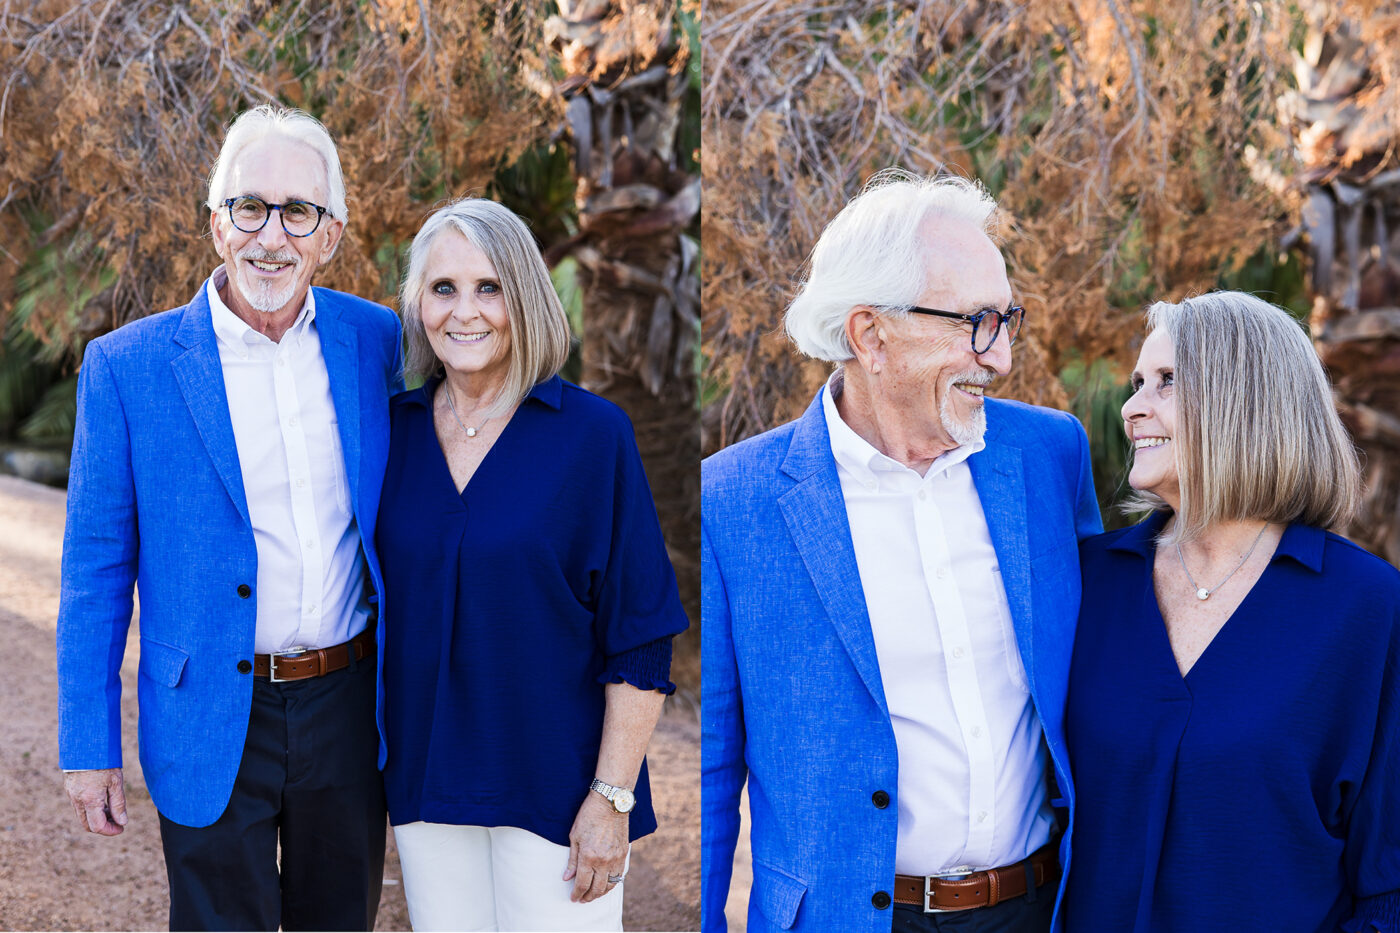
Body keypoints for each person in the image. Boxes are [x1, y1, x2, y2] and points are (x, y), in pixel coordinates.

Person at [701, 171, 1102, 933]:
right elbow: (712, 763)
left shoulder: (1051, 455)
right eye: (976, 322)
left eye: (1007, 320)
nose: (1001, 357)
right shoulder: (733, 499)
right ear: (870, 334)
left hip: (1038, 909)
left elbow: (1103, 677)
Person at [56, 105, 402, 931]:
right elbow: (94, 572)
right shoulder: (125, 368)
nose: (270, 236)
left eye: (298, 211)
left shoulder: (376, 341)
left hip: (348, 706)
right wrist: (89, 745)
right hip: (206, 709)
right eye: (250, 207)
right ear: (217, 223)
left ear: (331, 234)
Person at [374, 197, 689, 932]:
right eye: (443, 288)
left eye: (489, 287)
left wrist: (611, 799)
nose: (465, 311)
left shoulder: (591, 436)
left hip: (558, 790)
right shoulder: (393, 433)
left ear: (524, 297)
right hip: (426, 786)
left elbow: (641, 635)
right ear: (418, 305)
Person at [1064, 291, 1400, 932]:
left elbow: (1390, 878)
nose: (1131, 408)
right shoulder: (1087, 582)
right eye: (1137, 383)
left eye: (1166, 381)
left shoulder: (1367, 606)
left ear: (1244, 401)